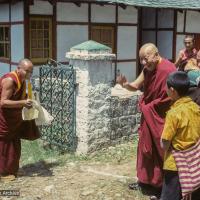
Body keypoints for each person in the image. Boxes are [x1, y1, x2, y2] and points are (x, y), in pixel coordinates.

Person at [116, 43, 176, 196]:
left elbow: (168, 98)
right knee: (145, 146)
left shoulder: (168, 70)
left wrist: (147, 108)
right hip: (149, 114)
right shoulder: (148, 69)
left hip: (162, 116)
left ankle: (162, 184)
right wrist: (125, 85)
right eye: (141, 59)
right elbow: (136, 85)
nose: (143, 63)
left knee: (159, 148)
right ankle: (144, 180)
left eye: (146, 59)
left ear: (156, 55)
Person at [158, 71, 200, 200]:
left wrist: (164, 145)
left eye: (166, 87)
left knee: (170, 195)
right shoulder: (195, 107)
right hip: (195, 160)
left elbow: (165, 142)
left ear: (172, 90)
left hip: (175, 164)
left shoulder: (174, 113)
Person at [0, 59, 40, 181]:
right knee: (4, 144)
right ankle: (3, 173)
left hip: (13, 117)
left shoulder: (22, 80)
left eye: (31, 72)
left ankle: (12, 169)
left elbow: (19, 96)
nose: (29, 74)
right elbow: (3, 102)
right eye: (27, 71)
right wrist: (23, 102)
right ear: (19, 69)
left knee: (15, 143)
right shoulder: (10, 80)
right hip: (4, 117)